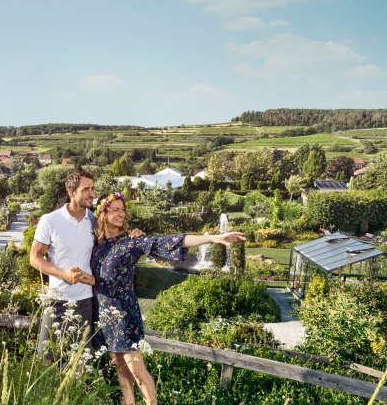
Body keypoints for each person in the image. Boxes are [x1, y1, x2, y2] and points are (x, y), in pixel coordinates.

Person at [90, 192, 246, 405]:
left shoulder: (132, 241)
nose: (121, 214)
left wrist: (211, 238)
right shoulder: (96, 243)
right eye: (115, 209)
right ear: (102, 212)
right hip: (104, 312)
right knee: (119, 366)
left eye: (123, 209)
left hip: (125, 313)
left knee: (136, 370)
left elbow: (166, 241)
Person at [29, 170, 142, 360]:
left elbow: (114, 239)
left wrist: (132, 236)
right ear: (72, 192)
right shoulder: (50, 220)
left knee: (80, 361)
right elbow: (34, 258)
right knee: (48, 358)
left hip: (86, 301)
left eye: (93, 188)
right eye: (86, 189)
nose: (92, 194)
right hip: (56, 300)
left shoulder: (94, 221)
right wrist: (63, 274)